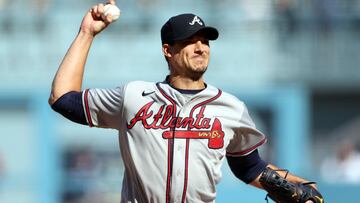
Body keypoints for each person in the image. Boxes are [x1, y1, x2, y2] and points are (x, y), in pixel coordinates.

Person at [49, 1, 323, 202]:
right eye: (190, 41)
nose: (200, 47)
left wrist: (304, 187)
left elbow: (250, 168)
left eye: (205, 41)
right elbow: (63, 99)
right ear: (168, 50)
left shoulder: (231, 107)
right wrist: (87, 33)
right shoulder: (133, 96)